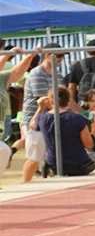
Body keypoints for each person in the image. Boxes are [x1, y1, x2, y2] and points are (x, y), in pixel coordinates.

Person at [30, 86, 95, 177]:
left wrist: (40, 108)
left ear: (51, 100)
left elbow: (32, 124)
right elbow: (89, 144)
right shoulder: (77, 118)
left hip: (54, 165)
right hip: (78, 165)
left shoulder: (43, 118)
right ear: (68, 100)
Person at [20, 45, 64, 182]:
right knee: (34, 158)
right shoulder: (36, 73)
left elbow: (64, 98)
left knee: (50, 157)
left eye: (62, 56)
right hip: (35, 120)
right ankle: (25, 183)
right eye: (58, 56)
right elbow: (44, 99)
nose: (61, 59)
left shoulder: (59, 75)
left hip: (52, 120)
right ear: (47, 55)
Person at [66, 39, 95, 112]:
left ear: (87, 51)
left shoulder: (77, 65)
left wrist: (73, 105)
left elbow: (71, 87)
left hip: (83, 105)